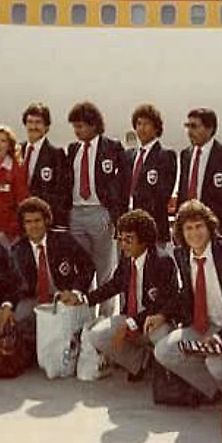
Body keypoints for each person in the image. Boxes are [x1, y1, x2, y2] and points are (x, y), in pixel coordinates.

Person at [154, 200, 222, 399]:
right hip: (203, 326)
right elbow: (186, 292)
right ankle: (214, 392)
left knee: (218, 366)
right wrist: (163, 314)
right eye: (188, 228)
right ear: (181, 232)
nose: (194, 233)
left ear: (209, 227)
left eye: (199, 226)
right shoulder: (182, 254)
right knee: (164, 350)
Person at [80, 209, 179, 380]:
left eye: (129, 239)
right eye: (121, 239)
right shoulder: (126, 258)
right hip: (131, 316)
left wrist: (131, 323)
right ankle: (138, 363)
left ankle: (167, 371)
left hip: (154, 319)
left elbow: (163, 303)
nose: (123, 244)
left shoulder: (163, 262)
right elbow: (114, 285)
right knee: (97, 335)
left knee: (161, 335)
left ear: (144, 239)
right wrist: (84, 299)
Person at [10, 196, 95, 356]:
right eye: (28, 222)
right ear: (23, 225)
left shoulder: (63, 239)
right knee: (20, 315)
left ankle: (66, 351)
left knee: (69, 324)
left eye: (37, 220)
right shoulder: (17, 249)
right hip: (35, 298)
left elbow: (88, 266)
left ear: (46, 221)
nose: (33, 226)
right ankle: (34, 351)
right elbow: (12, 283)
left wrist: (76, 292)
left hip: (64, 296)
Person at [66, 101, 127, 316]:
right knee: (82, 268)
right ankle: (85, 316)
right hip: (76, 213)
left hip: (100, 212)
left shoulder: (112, 148)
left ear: (93, 125)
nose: (77, 131)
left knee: (104, 269)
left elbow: (123, 184)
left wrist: (117, 216)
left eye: (81, 126)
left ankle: (106, 317)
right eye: (75, 127)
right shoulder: (73, 149)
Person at [176, 108, 222, 237]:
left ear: (209, 128)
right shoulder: (186, 155)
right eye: (188, 126)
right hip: (190, 229)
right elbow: (183, 192)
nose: (189, 132)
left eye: (194, 126)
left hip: (219, 229)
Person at [125, 104, 177, 246]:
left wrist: (138, 215)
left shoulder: (165, 155)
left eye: (146, 124)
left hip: (153, 225)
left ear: (156, 127)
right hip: (128, 226)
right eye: (138, 124)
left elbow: (162, 194)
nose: (141, 128)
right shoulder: (129, 156)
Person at [20, 103, 72, 228]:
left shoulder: (56, 155)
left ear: (46, 126)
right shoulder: (17, 151)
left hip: (43, 221)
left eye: (38, 122)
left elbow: (62, 191)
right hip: (20, 218)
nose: (33, 126)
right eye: (30, 122)